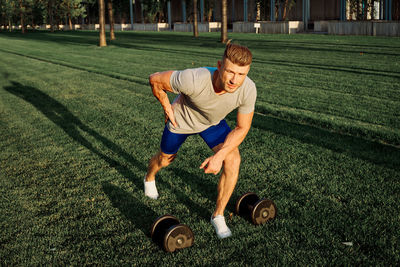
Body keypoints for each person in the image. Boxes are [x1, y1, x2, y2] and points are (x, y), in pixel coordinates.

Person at [144, 42, 256, 239]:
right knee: (164, 160)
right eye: (230, 72)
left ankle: (218, 215)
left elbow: (242, 127)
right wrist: (166, 106)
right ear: (220, 66)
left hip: (212, 123)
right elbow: (155, 79)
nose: (234, 80)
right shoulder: (194, 79)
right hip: (182, 120)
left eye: (241, 74)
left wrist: (220, 156)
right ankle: (149, 177)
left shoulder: (248, 89)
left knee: (233, 159)